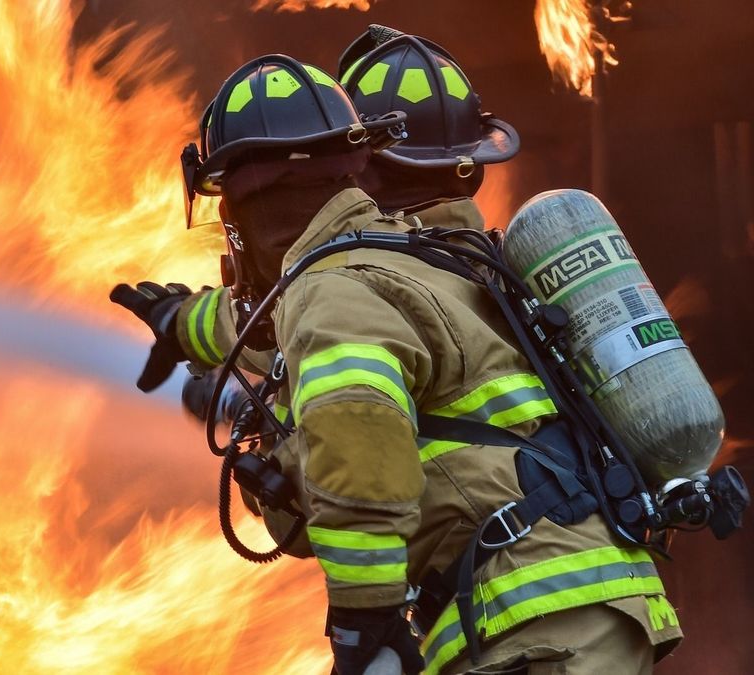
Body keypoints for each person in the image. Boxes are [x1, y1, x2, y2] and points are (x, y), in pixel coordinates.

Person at [112, 34, 681, 675]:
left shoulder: (333, 290)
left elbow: (356, 450)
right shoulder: (416, 259)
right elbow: (268, 315)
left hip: (533, 617)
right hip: (573, 604)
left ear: (245, 204)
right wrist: (184, 322)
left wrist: (364, 623)